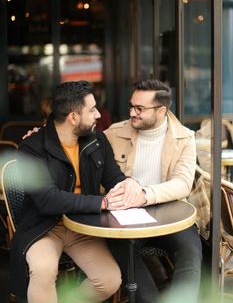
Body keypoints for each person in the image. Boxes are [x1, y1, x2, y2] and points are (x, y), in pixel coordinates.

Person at [10, 80, 140, 303]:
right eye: (92, 110)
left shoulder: (97, 140)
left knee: (109, 279)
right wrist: (103, 203)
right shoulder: (32, 147)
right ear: (73, 117)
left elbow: (113, 177)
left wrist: (128, 185)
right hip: (45, 227)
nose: (99, 114)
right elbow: (47, 200)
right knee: (43, 271)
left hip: (83, 226)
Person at [104, 79, 202, 303]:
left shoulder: (185, 137)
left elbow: (183, 183)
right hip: (125, 215)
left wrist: (145, 194)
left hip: (172, 214)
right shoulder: (113, 133)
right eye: (131, 106)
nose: (132, 112)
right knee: (120, 248)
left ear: (161, 111)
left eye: (140, 108)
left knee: (191, 251)